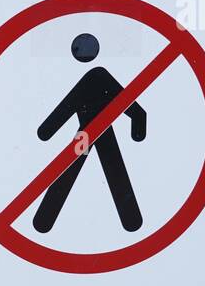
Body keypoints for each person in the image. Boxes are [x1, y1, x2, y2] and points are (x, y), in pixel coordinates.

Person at [33, 33, 146, 232]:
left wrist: (47, 130)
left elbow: (132, 107)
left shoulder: (97, 78)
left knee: (82, 169)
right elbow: (133, 108)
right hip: (92, 129)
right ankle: (131, 220)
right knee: (113, 168)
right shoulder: (97, 78)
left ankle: (43, 220)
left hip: (89, 132)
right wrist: (138, 123)